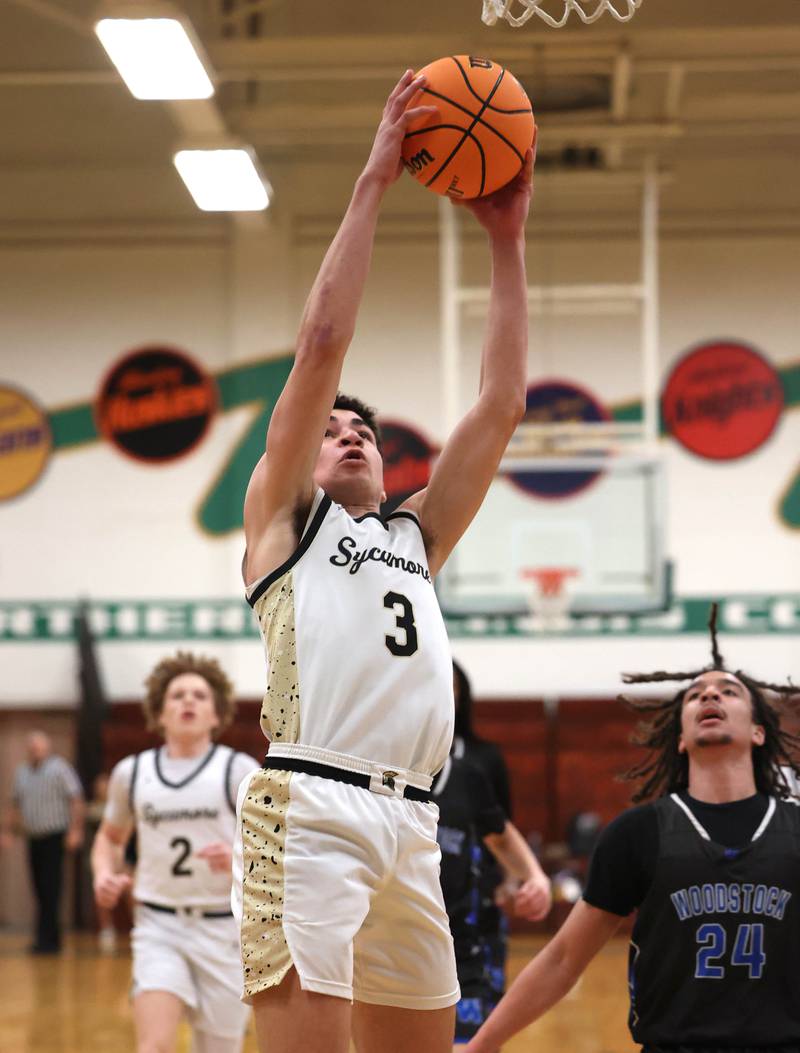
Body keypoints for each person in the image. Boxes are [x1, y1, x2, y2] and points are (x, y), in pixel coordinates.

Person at [237, 69, 536, 1053]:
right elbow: (321, 340)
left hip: (414, 824)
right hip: (311, 805)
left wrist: (504, 238)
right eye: (332, 426)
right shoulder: (286, 521)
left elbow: (498, 406)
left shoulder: (416, 537)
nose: (350, 430)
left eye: (363, 426)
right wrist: (372, 179)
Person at [464, 610, 800, 1053]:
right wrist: (480, 1046)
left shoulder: (793, 828)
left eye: (728, 691)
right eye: (695, 694)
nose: (709, 696)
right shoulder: (639, 833)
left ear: (758, 731)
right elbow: (563, 960)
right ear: (680, 737)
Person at [92, 652, 259, 1053]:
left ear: (216, 714)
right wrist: (102, 874)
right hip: (158, 926)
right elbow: (109, 839)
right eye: (178, 695)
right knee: (154, 1047)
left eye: (200, 696)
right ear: (159, 712)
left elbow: (272, 850)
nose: (188, 702)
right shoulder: (132, 773)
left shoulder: (239, 771)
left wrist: (238, 857)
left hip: (225, 931)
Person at [432, 751, 551, 1045]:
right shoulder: (380, 774)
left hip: (460, 955)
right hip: (392, 953)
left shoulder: (465, 776)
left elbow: (500, 835)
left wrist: (535, 877)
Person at [451, 660, 515, 1006]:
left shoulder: (484, 757)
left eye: (454, 685)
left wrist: (512, 878)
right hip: (420, 897)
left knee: (482, 1017)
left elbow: (504, 827)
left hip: (478, 901)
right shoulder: (398, 757)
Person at [3, 731, 85, 953]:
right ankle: (45, 938)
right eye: (32, 747)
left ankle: (49, 940)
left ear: (47, 748)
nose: (35, 751)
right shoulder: (22, 772)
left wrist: (75, 830)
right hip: (33, 837)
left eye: (39, 747)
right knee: (38, 888)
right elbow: (15, 804)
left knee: (51, 887)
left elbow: (76, 799)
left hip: (54, 836)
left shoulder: (59, 769)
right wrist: (8, 831)